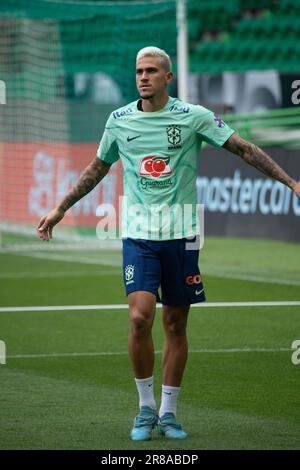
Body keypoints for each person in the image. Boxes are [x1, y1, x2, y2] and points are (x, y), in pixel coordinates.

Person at [37, 46, 300, 441]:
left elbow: (244, 149)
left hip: (184, 235)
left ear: (168, 78)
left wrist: (292, 183)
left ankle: (169, 412)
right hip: (140, 236)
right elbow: (97, 168)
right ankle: (144, 409)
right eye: (139, 71)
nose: (143, 77)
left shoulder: (193, 117)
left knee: (175, 324)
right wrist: (60, 209)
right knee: (140, 317)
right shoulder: (119, 120)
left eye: (151, 71)